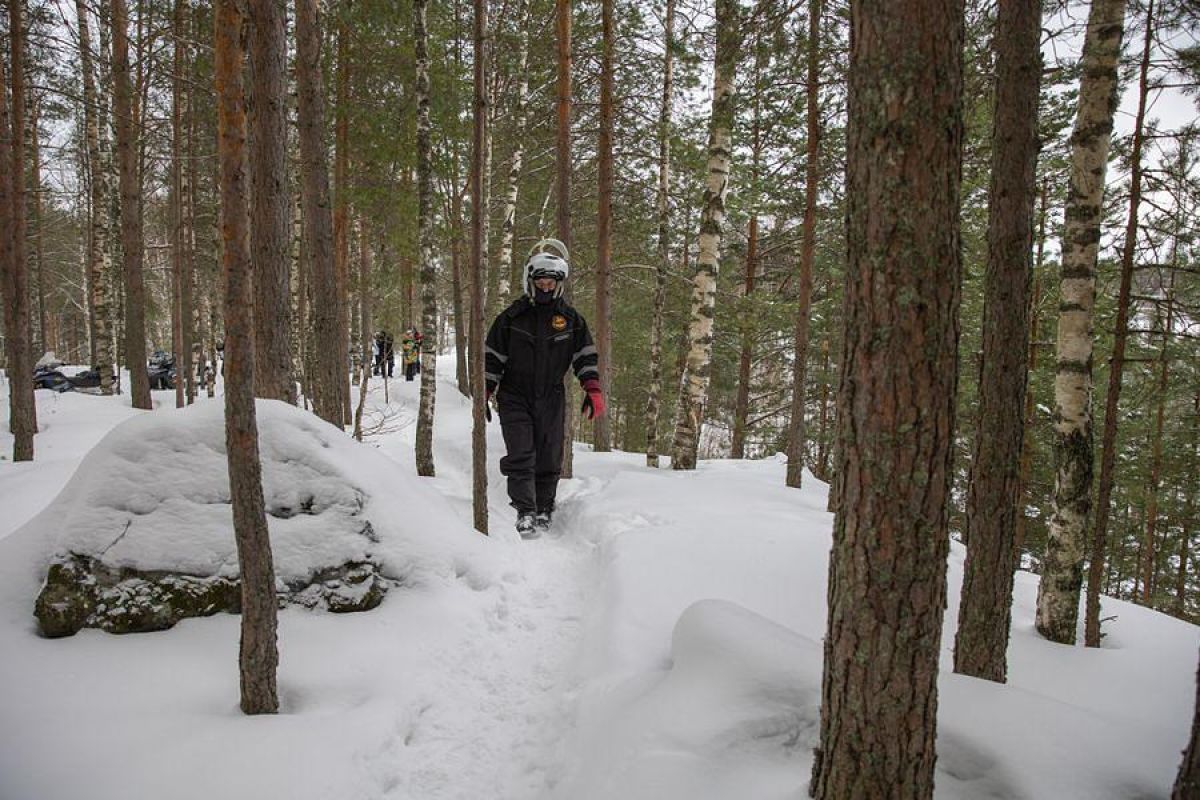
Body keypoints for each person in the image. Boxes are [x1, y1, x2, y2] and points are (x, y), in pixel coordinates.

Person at [484, 239, 605, 539]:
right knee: (522, 452)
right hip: (514, 395)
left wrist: (593, 390)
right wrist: (485, 391)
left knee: (550, 454)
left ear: (560, 284)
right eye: (541, 281)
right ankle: (525, 510)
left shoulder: (572, 321)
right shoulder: (511, 319)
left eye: (552, 282)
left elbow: (585, 357)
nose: (546, 287)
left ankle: (544, 507)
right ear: (530, 280)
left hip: (552, 395)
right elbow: (492, 358)